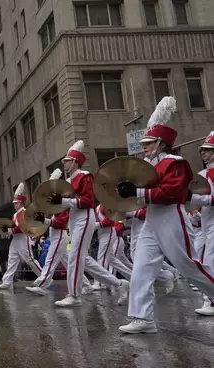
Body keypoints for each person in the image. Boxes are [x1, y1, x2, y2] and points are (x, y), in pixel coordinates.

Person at [117, 96, 214, 332]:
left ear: (162, 143)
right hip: (152, 218)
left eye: (149, 143)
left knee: (188, 266)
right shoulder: (148, 166)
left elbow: (171, 192)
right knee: (141, 267)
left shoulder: (176, 162)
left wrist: (139, 192)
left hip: (172, 216)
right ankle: (143, 318)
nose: (144, 147)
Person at [48, 140, 129, 307]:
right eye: (64, 161)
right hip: (74, 219)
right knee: (81, 258)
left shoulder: (85, 176)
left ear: (76, 162)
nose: (64, 164)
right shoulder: (69, 181)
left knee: (75, 257)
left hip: (84, 218)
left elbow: (88, 201)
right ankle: (119, 284)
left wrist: (63, 201)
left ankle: (74, 295)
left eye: (67, 160)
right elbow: (67, 203)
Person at [185, 130, 214, 315]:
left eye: (207, 150)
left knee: (209, 258)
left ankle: (210, 300)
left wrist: (197, 199)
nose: (203, 153)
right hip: (206, 221)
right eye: (202, 150)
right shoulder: (202, 173)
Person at [0, 183, 42, 289]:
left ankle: (43, 276)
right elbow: (13, 227)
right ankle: (7, 281)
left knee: (29, 259)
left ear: (21, 203)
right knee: (12, 259)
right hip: (15, 239)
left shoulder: (25, 212)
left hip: (23, 238)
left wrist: (11, 230)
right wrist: (7, 233)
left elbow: (23, 227)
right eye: (14, 203)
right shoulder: (14, 215)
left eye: (16, 203)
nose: (14, 205)